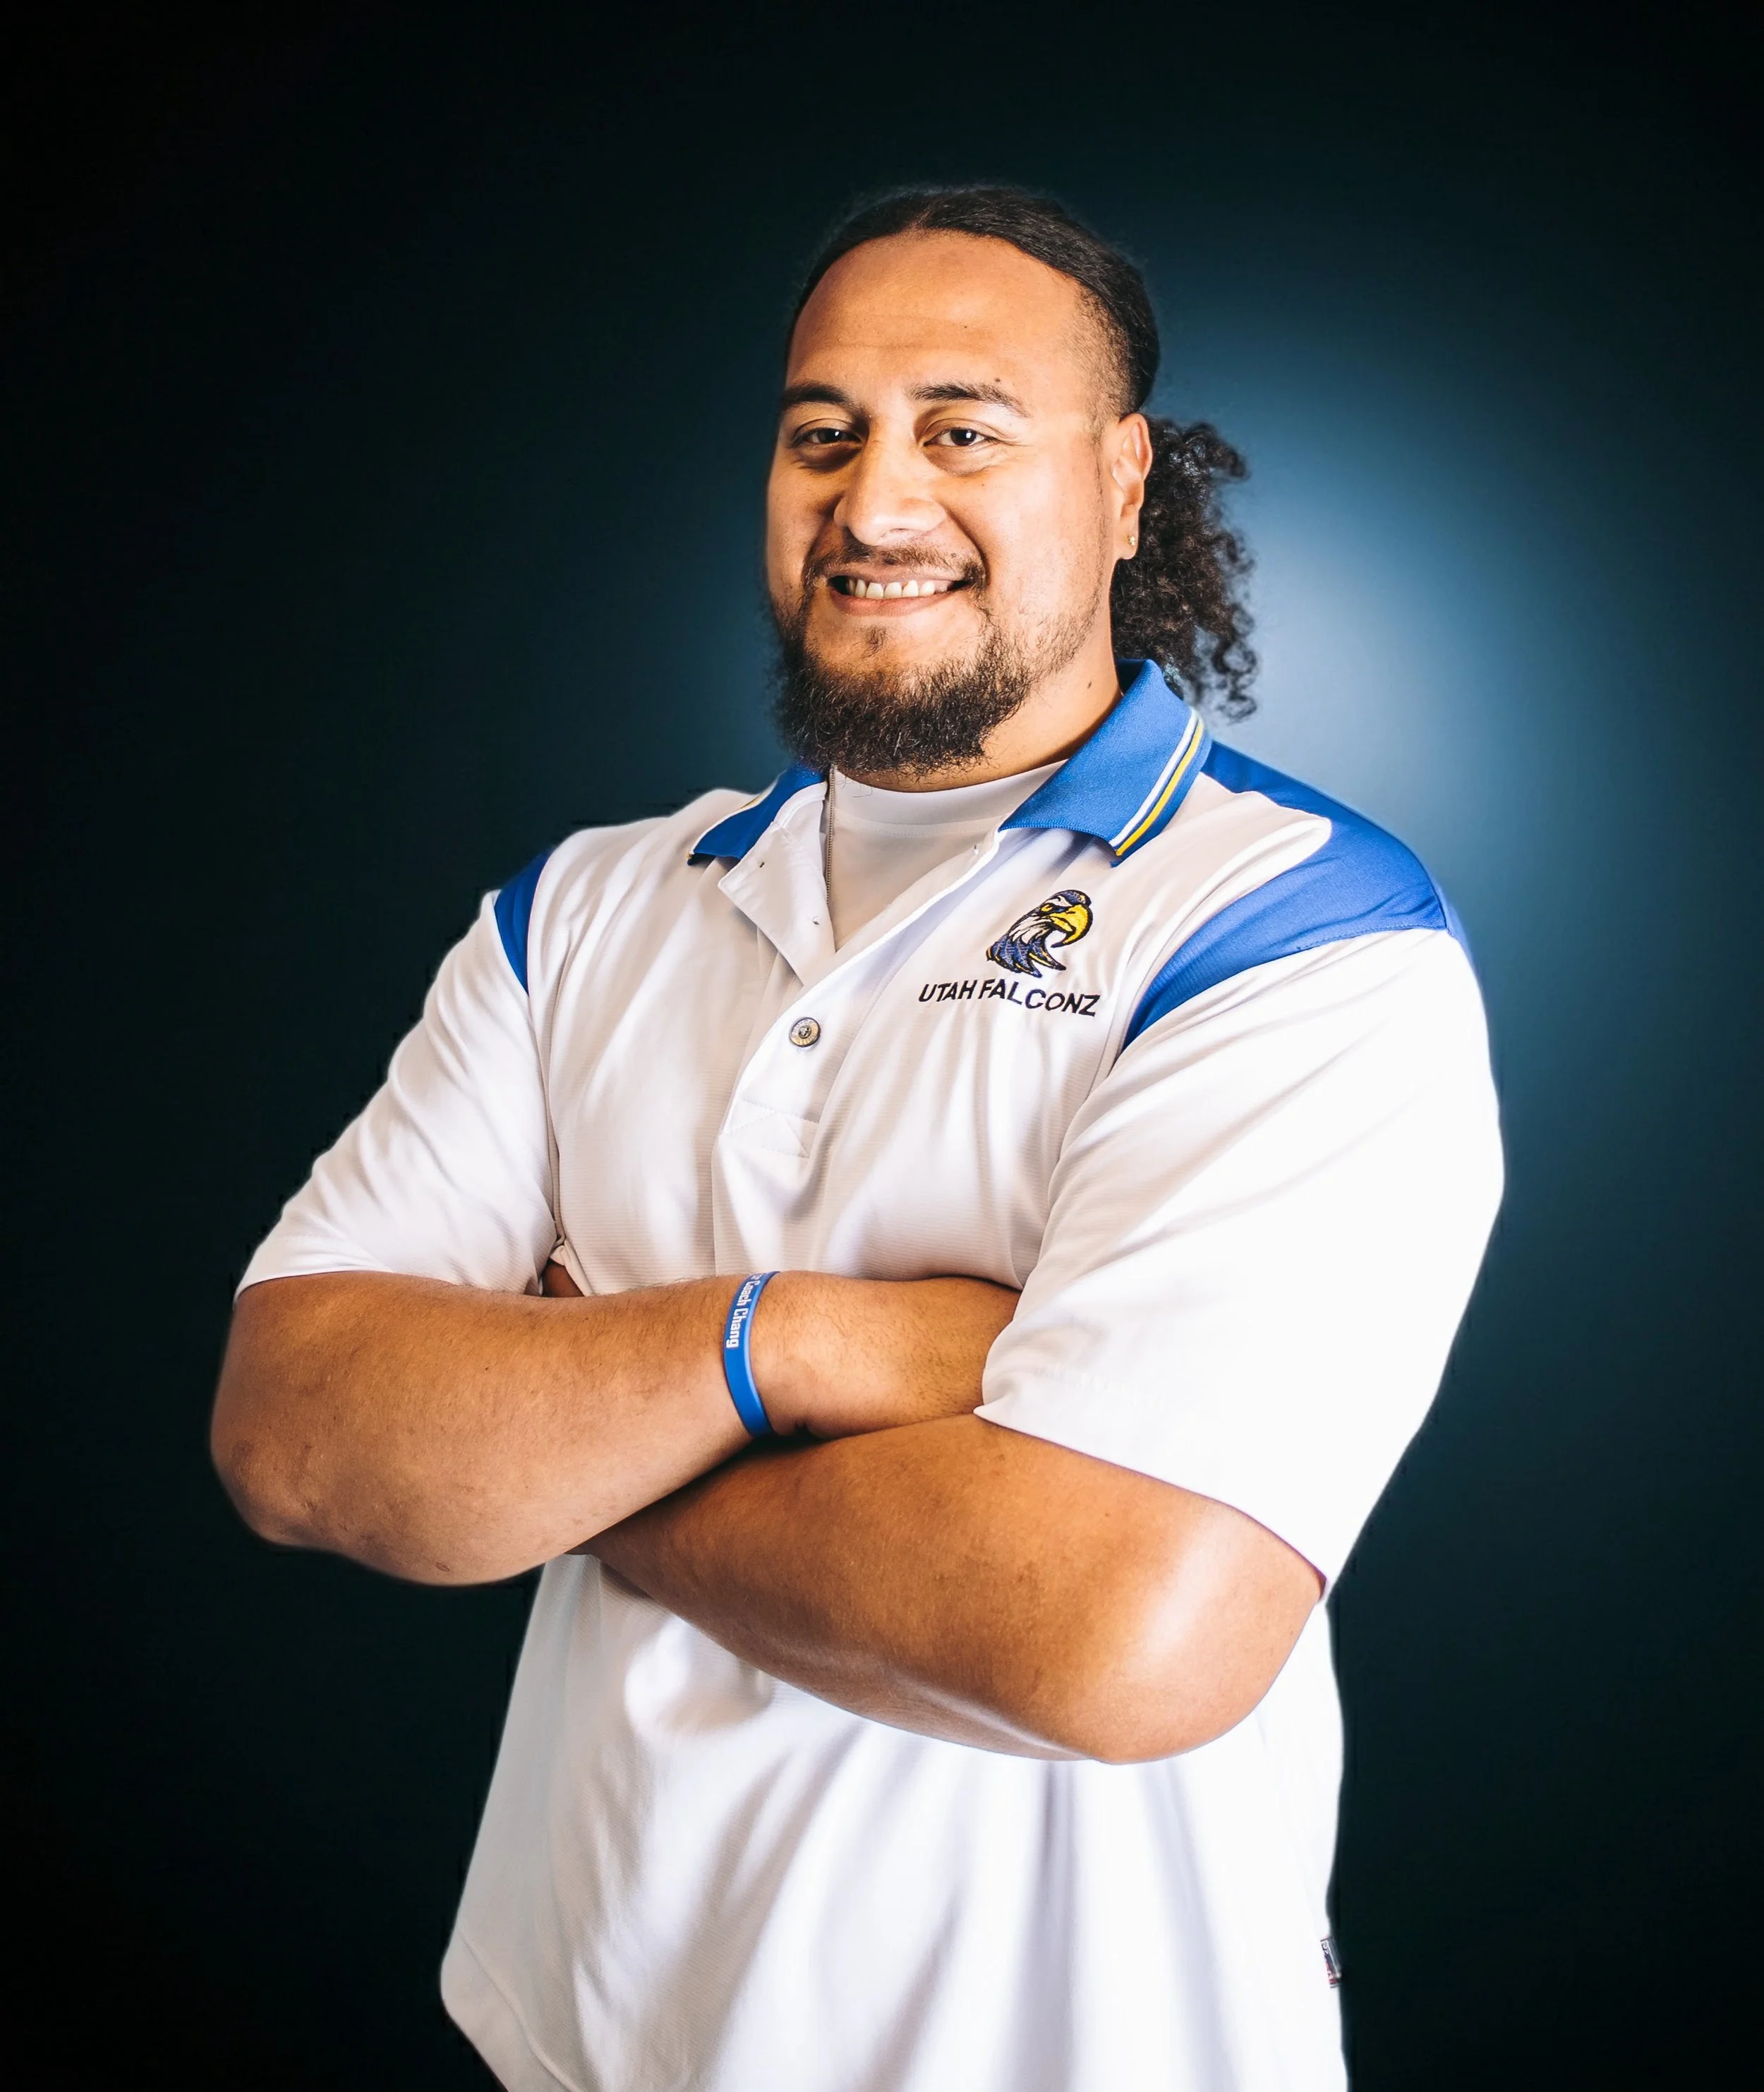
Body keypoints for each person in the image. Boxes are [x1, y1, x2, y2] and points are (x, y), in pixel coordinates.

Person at [212, 186, 1502, 2092]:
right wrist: (797, 1343)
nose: (876, 502)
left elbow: (1108, 1633)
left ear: (1122, 483)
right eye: (824, 433)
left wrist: (571, 1433)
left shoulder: (1297, 936)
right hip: (578, 2034)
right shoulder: (582, 909)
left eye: (962, 430)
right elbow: (292, 1430)